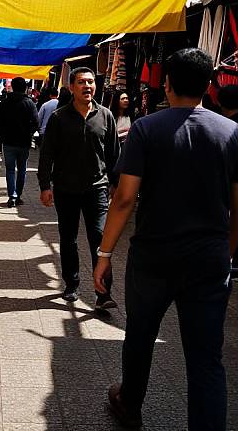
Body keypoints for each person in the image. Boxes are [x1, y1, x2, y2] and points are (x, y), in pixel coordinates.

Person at [93, 48, 238, 431]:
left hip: (154, 254)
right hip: (208, 258)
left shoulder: (146, 128)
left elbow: (124, 198)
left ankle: (130, 404)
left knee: (140, 334)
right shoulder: (231, 132)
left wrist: (105, 253)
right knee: (206, 357)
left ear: (167, 84)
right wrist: (227, 251)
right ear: (209, 86)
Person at [37, 67, 120, 309]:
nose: (87, 86)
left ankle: (103, 294)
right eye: (82, 82)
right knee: (69, 238)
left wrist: (117, 184)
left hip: (98, 188)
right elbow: (47, 154)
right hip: (66, 189)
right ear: (71, 87)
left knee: (100, 239)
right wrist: (45, 186)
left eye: (91, 82)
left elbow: (115, 154)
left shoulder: (106, 116)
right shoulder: (59, 117)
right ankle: (72, 283)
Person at [0, 77, 39, 207]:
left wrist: (2, 136)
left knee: (9, 170)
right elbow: (36, 123)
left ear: (12, 87)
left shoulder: (4, 103)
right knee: (22, 170)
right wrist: (29, 133)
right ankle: (18, 195)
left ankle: (12, 196)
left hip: (8, 142)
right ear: (25, 88)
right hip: (23, 142)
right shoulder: (29, 103)